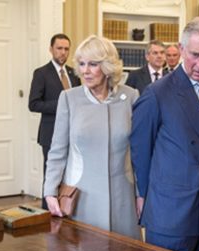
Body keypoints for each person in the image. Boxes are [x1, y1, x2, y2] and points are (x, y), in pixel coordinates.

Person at [130, 16, 199, 251]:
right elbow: (140, 152)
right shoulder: (157, 94)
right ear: (181, 48)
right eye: (194, 54)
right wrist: (143, 196)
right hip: (170, 214)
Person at [43, 35, 141, 239]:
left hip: (122, 196)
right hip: (82, 197)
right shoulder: (69, 98)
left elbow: (139, 154)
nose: (85, 71)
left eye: (93, 64)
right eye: (81, 64)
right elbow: (58, 150)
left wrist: (141, 194)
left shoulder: (130, 96)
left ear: (107, 67)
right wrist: (50, 191)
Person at [29, 33, 81, 209]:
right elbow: (34, 104)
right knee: (51, 176)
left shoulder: (74, 74)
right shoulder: (41, 73)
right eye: (59, 48)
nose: (63, 52)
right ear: (51, 49)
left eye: (66, 49)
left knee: (70, 174)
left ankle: (66, 209)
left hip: (74, 133)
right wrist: (62, 105)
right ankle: (47, 211)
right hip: (50, 134)